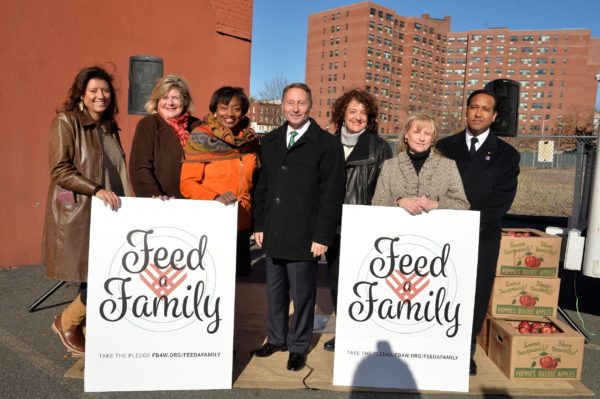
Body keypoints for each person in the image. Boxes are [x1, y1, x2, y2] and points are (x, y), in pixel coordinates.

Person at [251, 83, 345, 371]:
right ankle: (277, 338)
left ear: (310, 105)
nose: (295, 108)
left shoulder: (326, 144)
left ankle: (299, 345)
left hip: (306, 235)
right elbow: (262, 186)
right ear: (282, 105)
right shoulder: (270, 141)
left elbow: (332, 193)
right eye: (290, 102)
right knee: (275, 292)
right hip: (274, 230)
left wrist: (322, 235)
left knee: (303, 295)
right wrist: (260, 223)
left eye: (301, 103)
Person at [43, 66, 131, 357]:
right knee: (96, 275)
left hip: (111, 212)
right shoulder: (66, 121)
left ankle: (88, 330)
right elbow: (60, 170)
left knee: (108, 273)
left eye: (105, 91)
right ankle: (66, 321)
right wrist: (95, 189)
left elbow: (117, 171)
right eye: (93, 90)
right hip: (82, 212)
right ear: (82, 94)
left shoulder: (109, 127)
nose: (100, 96)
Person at [436, 89, 520, 376]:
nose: (478, 113)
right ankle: (433, 341)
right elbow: (433, 187)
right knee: (440, 288)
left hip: (482, 235)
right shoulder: (444, 147)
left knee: (475, 292)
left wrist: (467, 223)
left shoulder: (507, 156)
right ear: (467, 110)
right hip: (443, 232)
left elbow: (501, 200)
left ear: (494, 116)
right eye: (474, 107)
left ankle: (464, 347)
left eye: (486, 109)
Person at [323, 89, 393, 352]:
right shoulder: (327, 143)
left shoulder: (379, 147)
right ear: (342, 113)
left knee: (364, 282)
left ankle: (366, 331)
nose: (358, 117)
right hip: (333, 226)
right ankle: (345, 331)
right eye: (352, 111)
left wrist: (374, 224)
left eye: (363, 113)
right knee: (337, 279)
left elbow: (385, 189)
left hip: (364, 226)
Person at [180, 86, 259, 277]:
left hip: (241, 223)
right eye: (224, 108)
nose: (230, 114)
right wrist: (215, 197)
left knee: (239, 284)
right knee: (211, 279)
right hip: (211, 222)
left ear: (243, 112)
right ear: (214, 110)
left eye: (236, 108)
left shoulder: (250, 141)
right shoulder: (201, 137)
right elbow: (187, 183)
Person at [372, 112, 469, 213]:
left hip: (435, 228)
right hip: (397, 228)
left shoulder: (448, 166)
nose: (422, 138)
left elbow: (463, 204)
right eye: (416, 132)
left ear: (432, 139)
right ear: (406, 135)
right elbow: (377, 202)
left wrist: (436, 204)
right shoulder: (390, 166)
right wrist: (399, 201)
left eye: (427, 134)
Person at [129, 75, 200, 199]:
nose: (170, 103)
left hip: (194, 203)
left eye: (176, 98)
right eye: (165, 97)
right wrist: (156, 196)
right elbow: (140, 168)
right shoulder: (148, 125)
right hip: (162, 202)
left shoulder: (197, 126)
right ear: (158, 101)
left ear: (185, 100)